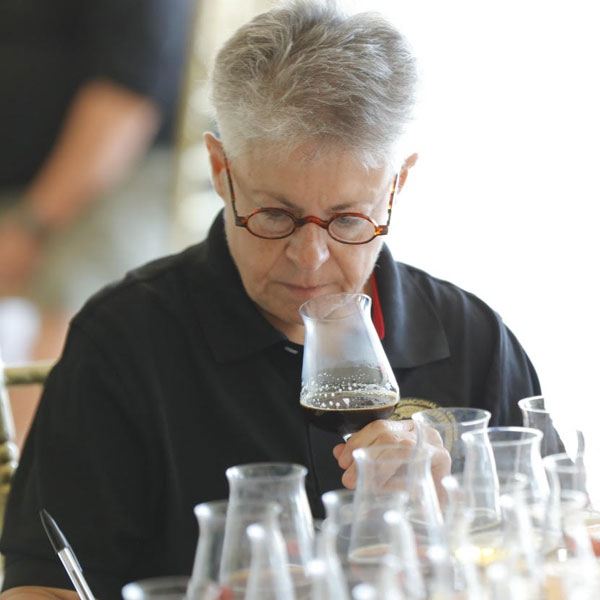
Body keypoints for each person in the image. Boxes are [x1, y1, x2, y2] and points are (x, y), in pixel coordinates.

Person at [0, 1, 541, 598]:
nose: (309, 258)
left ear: (397, 185)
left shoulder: (473, 339)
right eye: (276, 214)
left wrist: (449, 524)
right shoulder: (125, 340)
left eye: (347, 218)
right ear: (220, 169)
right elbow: (40, 585)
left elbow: (551, 556)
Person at [0, 0, 192, 447]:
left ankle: (28, 493)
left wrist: (32, 225)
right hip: (18, 174)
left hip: (112, 170)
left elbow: (125, 100)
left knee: (73, 307)